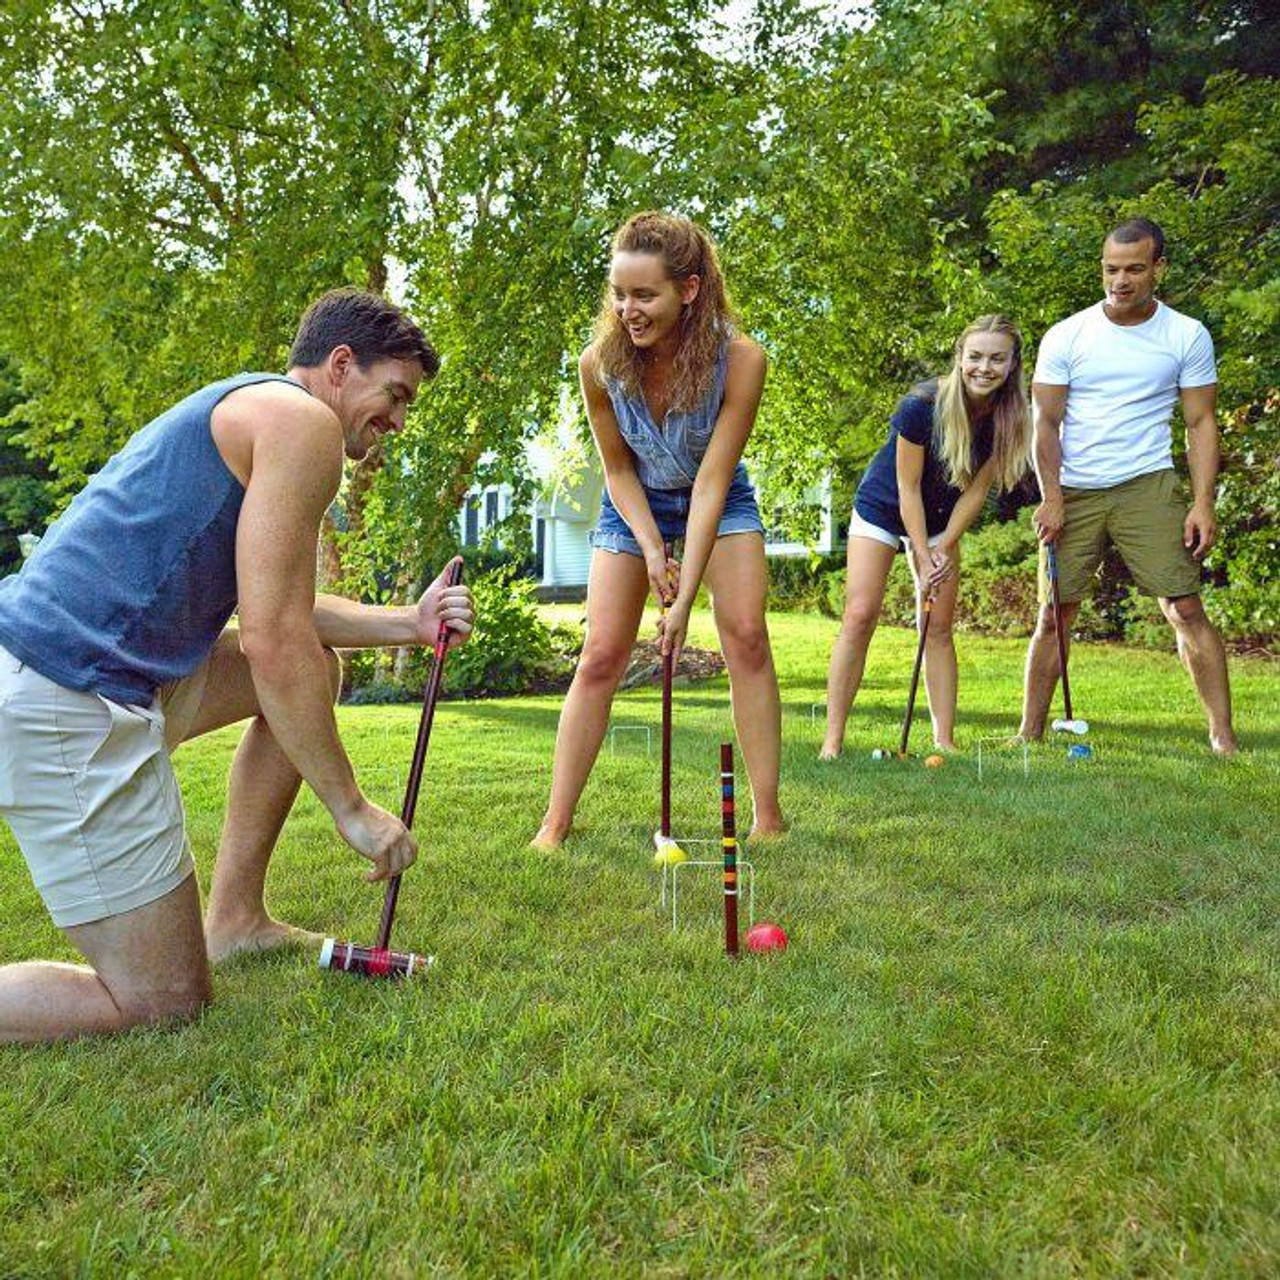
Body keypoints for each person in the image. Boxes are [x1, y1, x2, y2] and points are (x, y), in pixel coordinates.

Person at [0, 287, 476, 1042]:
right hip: (67, 695)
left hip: (95, 673)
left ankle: (238, 919)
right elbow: (271, 636)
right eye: (394, 395)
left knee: (317, 667)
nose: (396, 421)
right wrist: (351, 807)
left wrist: (409, 624)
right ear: (341, 364)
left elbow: (282, 607)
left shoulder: (257, 409)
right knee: (163, 1001)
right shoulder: (301, 423)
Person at [532, 211, 785, 848]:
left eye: (645, 295)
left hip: (718, 500)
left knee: (748, 637)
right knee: (599, 657)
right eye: (619, 294)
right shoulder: (600, 365)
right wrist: (650, 548)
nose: (628, 310)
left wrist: (683, 601)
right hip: (635, 502)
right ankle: (555, 824)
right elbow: (616, 469)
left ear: (690, 290)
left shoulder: (741, 360)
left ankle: (768, 816)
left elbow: (711, 483)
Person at [1017, 217, 1238, 754]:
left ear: (1158, 268)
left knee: (1184, 607)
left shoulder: (1185, 335)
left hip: (1148, 483)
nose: (1121, 281)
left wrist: (1204, 502)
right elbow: (1043, 422)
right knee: (1054, 614)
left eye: (1134, 269)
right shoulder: (1068, 335)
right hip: (1075, 489)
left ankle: (1223, 736)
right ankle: (1029, 734)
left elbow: (1200, 423)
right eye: (1112, 270)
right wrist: (1051, 497)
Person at [821, 315, 1032, 758]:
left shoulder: (1011, 417)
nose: (984, 367)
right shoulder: (922, 404)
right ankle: (832, 741)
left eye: (997, 358)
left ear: (1012, 365)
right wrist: (921, 551)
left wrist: (943, 546)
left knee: (936, 627)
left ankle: (944, 740)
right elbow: (907, 487)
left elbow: (977, 490)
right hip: (883, 507)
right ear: (959, 358)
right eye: (974, 356)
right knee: (860, 615)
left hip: (944, 517)